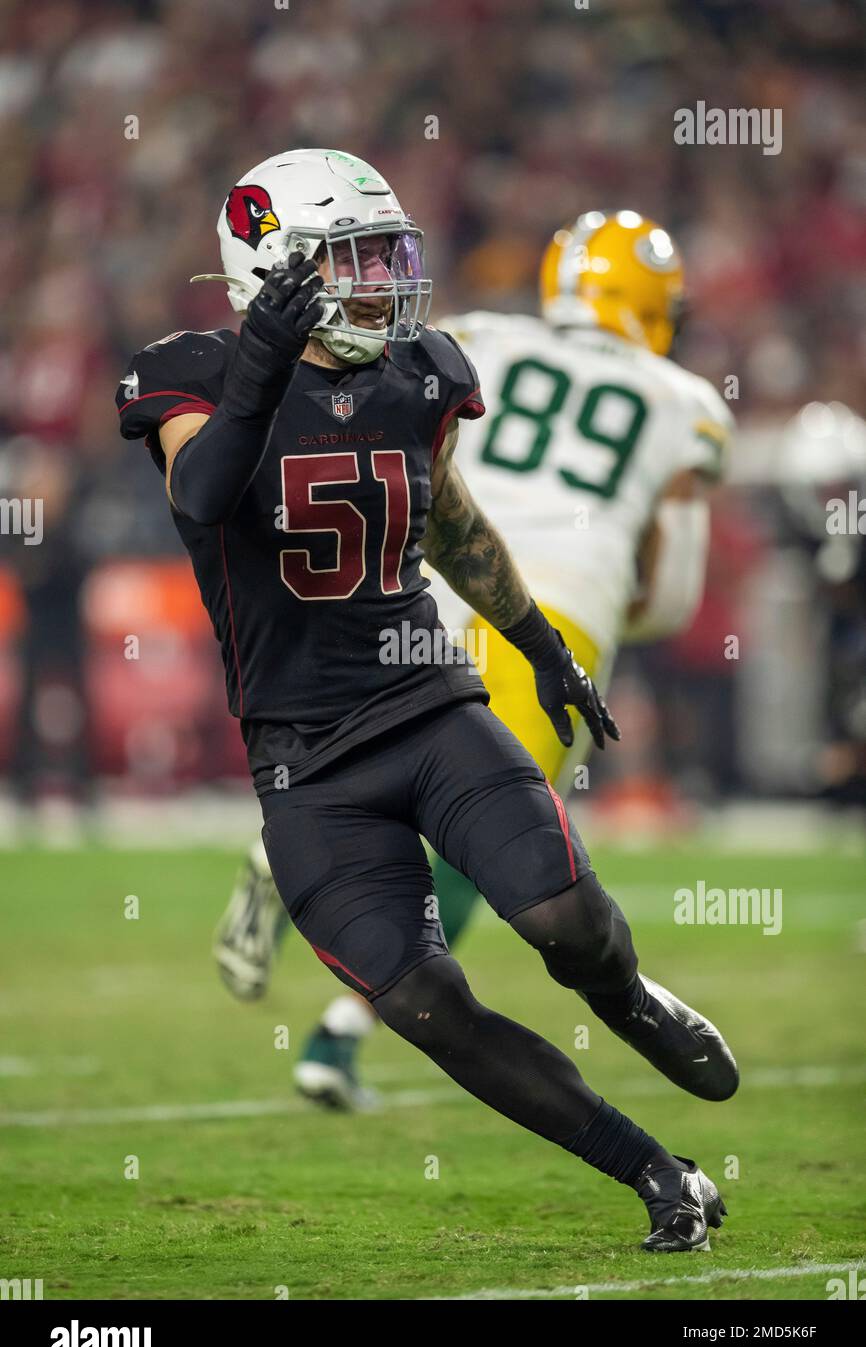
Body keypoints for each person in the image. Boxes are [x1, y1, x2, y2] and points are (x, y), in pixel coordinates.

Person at [116, 151, 736, 1252]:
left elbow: (451, 526)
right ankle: (654, 1171)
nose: (381, 281)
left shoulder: (417, 371)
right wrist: (260, 366)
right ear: (274, 270)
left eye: (383, 255)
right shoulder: (193, 372)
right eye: (352, 259)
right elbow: (203, 493)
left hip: (425, 703)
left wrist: (541, 645)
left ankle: (633, 1000)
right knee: (426, 1009)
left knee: (563, 923)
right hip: (307, 765)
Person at [215, 210, 735, 1120]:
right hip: (554, 610)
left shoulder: (480, 338)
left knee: (398, 795)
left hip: (425, 589)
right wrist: (609, 613)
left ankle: (289, 855)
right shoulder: (681, 398)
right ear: (653, 303)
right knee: (500, 848)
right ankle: (341, 1033)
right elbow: (678, 598)